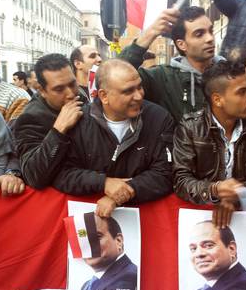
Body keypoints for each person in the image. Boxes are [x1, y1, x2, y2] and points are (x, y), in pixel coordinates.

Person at [53, 59, 174, 217]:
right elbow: (62, 174)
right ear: (104, 96)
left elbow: (165, 174)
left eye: (139, 87)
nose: (138, 96)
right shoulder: (79, 122)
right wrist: (103, 183)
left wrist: (124, 193)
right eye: (128, 91)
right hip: (93, 218)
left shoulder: (159, 118)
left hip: (148, 220)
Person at [173, 61, 246, 228]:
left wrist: (237, 195)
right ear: (217, 99)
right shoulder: (190, 128)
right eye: (242, 92)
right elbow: (181, 181)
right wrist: (214, 190)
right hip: (200, 223)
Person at [119, 6, 223, 122]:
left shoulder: (231, 73)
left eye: (211, 31)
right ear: (181, 44)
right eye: (199, 34)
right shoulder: (162, 78)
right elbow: (114, 76)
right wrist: (149, 34)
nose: (209, 38)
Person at [11, 54, 85, 189]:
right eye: (59, 89)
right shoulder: (30, 118)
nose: (70, 94)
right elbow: (33, 176)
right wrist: (58, 131)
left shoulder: (81, 97)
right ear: (42, 90)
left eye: (72, 84)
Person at [188, 221, 246, 290]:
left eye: (208, 245)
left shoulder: (241, 287)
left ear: (231, 249)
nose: (199, 254)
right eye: (193, 248)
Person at [78, 213, 138, 290]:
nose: (88, 246)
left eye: (97, 237)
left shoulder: (127, 279)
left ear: (119, 241)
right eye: (83, 240)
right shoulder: (86, 285)